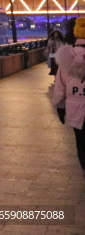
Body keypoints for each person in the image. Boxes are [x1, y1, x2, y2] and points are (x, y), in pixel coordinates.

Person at [52, 17, 85, 181]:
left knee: (81, 143)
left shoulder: (66, 59)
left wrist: (60, 107)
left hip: (75, 109)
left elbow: (60, 87)